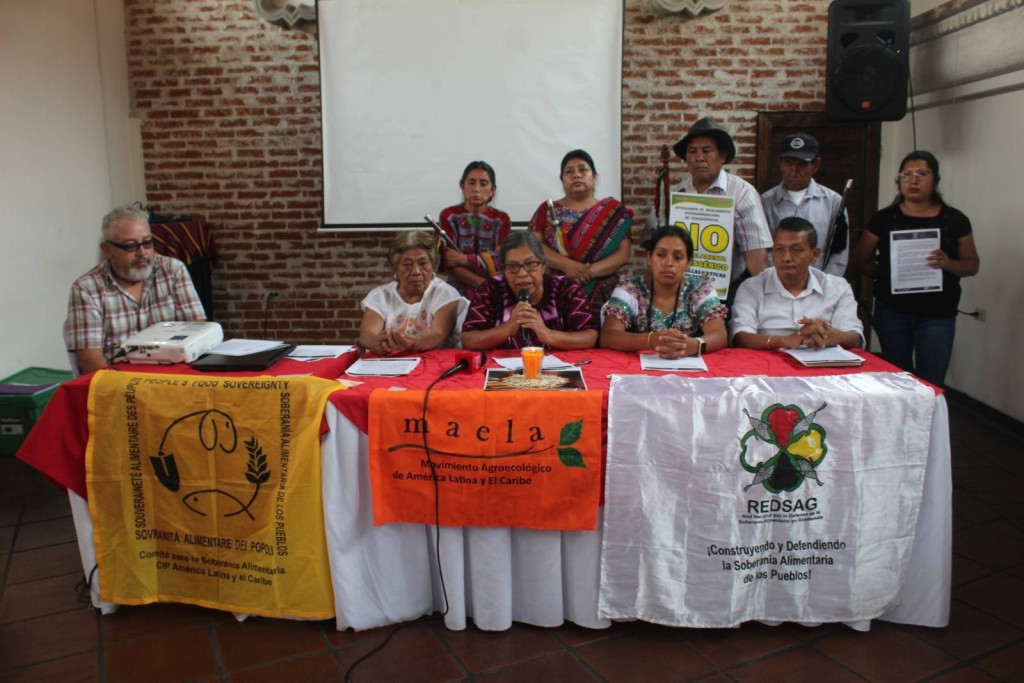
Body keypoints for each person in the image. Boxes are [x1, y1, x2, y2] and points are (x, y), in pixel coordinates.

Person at [855, 151, 979, 386]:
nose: (913, 180)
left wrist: (948, 263)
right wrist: (888, 275)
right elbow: (861, 261)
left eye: (922, 174)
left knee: (931, 380)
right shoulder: (884, 219)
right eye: (906, 175)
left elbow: (972, 264)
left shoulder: (954, 219)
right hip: (893, 311)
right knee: (896, 379)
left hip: (938, 314)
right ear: (898, 180)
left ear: (936, 181)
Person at [64, 205, 206, 374]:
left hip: (174, 377)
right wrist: (131, 385)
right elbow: (90, 361)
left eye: (147, 243)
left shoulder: (172, 270)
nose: (142, 253)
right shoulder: (87, 289)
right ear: (107, 250)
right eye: (130, 246)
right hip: (119, 381)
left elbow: (198, 331)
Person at [647, 117, 773, 291]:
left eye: (707, 151)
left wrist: (766, 296)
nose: (699, 158)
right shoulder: (672, 195)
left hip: (726, 293)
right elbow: (652, 245)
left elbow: (756, 256)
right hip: (677, 291)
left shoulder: (742, 194)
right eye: (692, 151)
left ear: (722, 156)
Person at [528, 149, 633, 319]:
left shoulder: (613, 213)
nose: (576, 175)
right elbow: (532, 247)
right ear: (562, 179)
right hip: (556, 291)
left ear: (595, 177)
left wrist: (587, 272)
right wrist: (568, 266)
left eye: (583, 169)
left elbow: (623, 255)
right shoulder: (546, 211)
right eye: (569, 172)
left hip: (602, 293)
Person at [731, 217, 864, 350]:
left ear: (814, 254)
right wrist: (785, 340)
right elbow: (740, 337)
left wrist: (830, 335)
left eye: (796, 250)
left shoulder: (837, 288)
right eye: (779, 249)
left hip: (821, 358)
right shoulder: (752, 287)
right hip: (767, 359)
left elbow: (855, 337)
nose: (786, 258)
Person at [600, 225, 727, 359]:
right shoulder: (630, 289)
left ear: (688, 262)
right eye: (661, 255)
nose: (669, 263)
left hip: (687, 365)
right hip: (637, 367)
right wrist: (650, 341)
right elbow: (608, 336)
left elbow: (719, 334)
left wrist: (695, 345)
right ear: (649, 258)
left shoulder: (700, 289)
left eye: (678, 257)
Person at [461, 232, 597, 351]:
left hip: (558, 367)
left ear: (543, 266)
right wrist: (507, 328)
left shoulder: (566, 289)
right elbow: (468, 339)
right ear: (503, 270)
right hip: (502, 368)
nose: (522, 274)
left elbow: (589, 336)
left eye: (530, 264)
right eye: (512, 266)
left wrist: (547, 334)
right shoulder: (491, 290)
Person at [359, 230, 467, 355]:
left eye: (423, 263)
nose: (416, 271)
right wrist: (380, 343)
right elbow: (367, 335)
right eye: (407, 264)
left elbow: (438, 335)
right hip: (391, 362)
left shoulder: (445, 294)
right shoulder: (381, 296)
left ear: (433, 265)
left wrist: (411, 345)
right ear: (396, 268)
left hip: (436, 363)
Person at [761, 133, 850, 276]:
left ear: (816, 165)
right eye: (788, 164)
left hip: (819, 283)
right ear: (780, 164)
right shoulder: (765, 202)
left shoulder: (833, 202)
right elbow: (761, 250)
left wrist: (827, 285)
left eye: (802, 165)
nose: (794, 172)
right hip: (776, 282)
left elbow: (839, 253)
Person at [439, 161, 511, 295]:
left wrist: (464, 259)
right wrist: (484, 284)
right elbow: (449, 261)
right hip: (457, 289)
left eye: (483, 184)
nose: (476, 189)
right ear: (462, 187)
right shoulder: (449, 216)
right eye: (471, 183)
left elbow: (501, 260)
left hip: (494, 286)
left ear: (492, 190)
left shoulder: (501, 219)